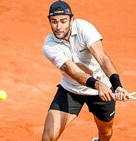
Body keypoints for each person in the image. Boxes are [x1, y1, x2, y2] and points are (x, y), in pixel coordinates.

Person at [42, 1, 129, 141]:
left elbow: (102, 58)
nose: (59, 27)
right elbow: (73, 72)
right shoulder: (49, 45)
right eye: (54, 22)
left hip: (103, 92)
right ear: (49, 22)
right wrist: (97, 85)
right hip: (71, 91)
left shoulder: (84, 28)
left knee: (106, 133)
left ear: (71, 20)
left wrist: (117, 85)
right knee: (47, 138)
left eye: (63, 21)